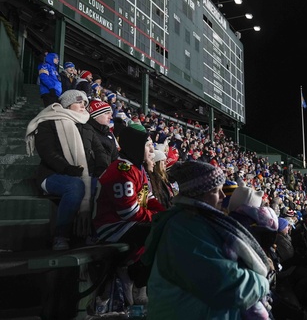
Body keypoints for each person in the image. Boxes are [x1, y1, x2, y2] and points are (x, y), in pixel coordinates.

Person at [142, 161, 272, 319]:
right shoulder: (185, 228)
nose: (223, 197)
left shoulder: (195, 221)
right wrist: (263, 282)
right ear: (200, 193)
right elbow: (226, 285)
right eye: (217, 191)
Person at [25, 89, 109, 250]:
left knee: (101, 185)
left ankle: (93, 232)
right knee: (75, 186)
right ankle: (61, 236)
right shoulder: (48, 122)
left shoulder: (87, 126)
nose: (83, 105)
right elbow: (47, 152)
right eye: (79, 102)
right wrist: (67, 168)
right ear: (67, 104)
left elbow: (100, 153)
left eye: (85, 102)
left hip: (81, 174)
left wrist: (101, 170)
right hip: (51, 174)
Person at [93, 124, 165, 306]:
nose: (152, 150)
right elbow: (129, 211)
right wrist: (157, 218)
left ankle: (136, 279)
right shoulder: (121, 170)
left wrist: (166, 214)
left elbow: (148, 199)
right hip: (112, 227)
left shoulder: (137, 168)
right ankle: (140, 284)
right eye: (147, 146)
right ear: (135, 146)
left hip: (127, 225)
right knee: (161, 232)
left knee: (166, 226)